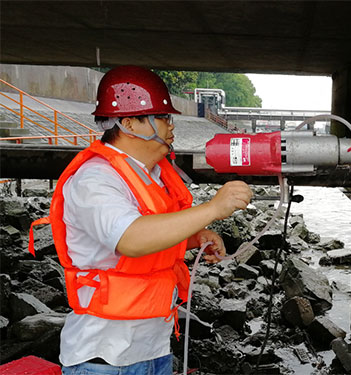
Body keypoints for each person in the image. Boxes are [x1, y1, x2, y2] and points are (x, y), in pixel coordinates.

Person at [30, 66, 252, 374]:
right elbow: (130, 239)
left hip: (154, 349)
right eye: (162, 117)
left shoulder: (152, 174)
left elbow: (153, 237)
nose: (171, 125)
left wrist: (193, 239)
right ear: (129, 122)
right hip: (105, 359)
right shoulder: (95, 179)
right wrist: (213, 208)